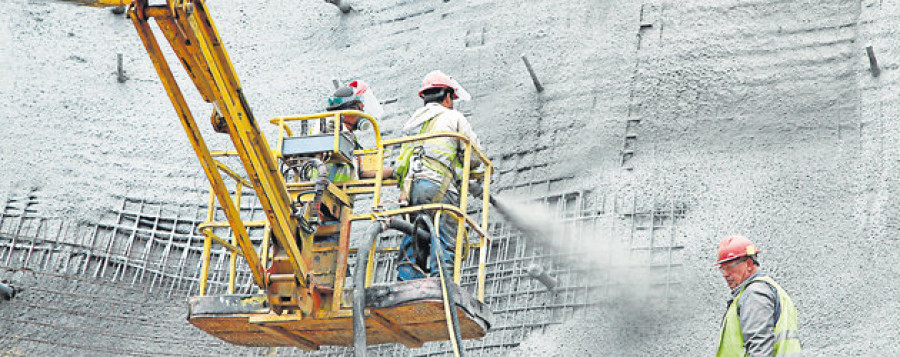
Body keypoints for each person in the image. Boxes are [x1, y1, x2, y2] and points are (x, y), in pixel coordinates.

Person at [395, 70, 482, 280]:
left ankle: (406, 279)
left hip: (411, 188)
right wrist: (467, 173)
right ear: (447, 96)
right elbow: (475, 158)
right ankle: (440, 284)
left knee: (413, 231)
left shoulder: (412, 123)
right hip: (440, 188)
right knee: (444, 236)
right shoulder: (453, 118)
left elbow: (400, 164)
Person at [715, 235, 802, 357]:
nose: (725, 274)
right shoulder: (765, 289)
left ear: (749, 264)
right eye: (722, 269)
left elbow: (760, 348)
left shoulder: (755, 293)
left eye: (729, 267)